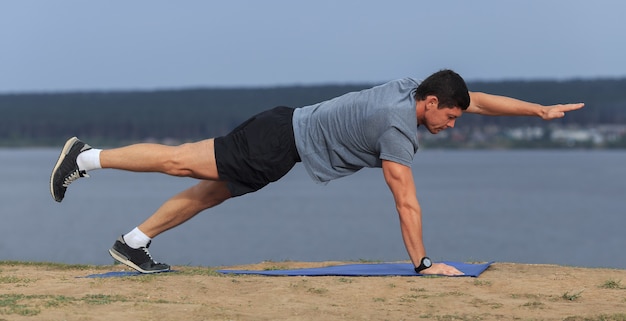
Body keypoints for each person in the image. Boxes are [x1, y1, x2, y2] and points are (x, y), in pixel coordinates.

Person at [49, 69, 584, 276]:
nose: (453, 123)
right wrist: (422, 264)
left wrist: (536, 109)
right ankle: (86, 157)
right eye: (448, 116)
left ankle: (133, 242)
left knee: (209, 193)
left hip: (283, 138)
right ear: (429, 104)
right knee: (180, 159)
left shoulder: (415, 87)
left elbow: (479, 100)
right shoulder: (398, 128)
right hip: (276, 142)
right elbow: (405, 200)